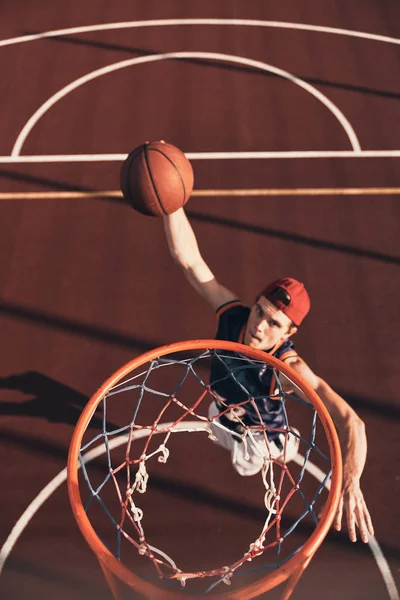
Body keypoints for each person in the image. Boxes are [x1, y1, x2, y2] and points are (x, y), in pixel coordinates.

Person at [163, 207, 374, 544]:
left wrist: (350, 479)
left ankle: (280, 443)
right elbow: (190, 261)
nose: (258, 326)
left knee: (246, 465)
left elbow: (353, 422)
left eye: (273, 323)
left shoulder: (289, 369)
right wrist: (171, 204)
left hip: (261, 437)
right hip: (222, 412)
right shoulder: (234, 316)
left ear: (289, 331)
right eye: (260, 309)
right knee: (217, 428)